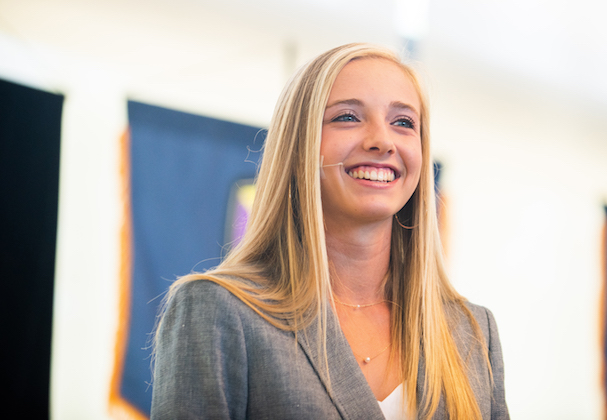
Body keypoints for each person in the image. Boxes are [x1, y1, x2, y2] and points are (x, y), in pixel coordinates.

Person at [151, 43, 508, 420]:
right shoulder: (220, 311)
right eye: (348, 117)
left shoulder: (471, 332)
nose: (382, 141)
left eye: (403, 123)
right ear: (299, 145)